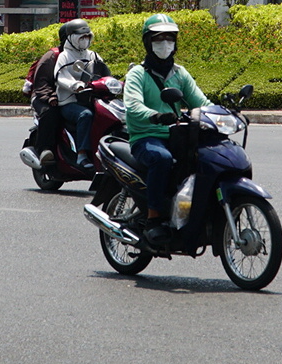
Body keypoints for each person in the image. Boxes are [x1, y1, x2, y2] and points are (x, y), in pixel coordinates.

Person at [122, 14, 208, 249]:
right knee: (162, 159)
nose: (164, 43)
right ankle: (153, 218)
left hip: (177, 135)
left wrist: (220, 114)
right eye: (158, 38)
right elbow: (132, 105)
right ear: (147, 42)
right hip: (146, 137)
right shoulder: (137, 74)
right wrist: (155, 115)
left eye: (169, 38)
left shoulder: (180, 73)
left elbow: (200, 102)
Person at [53, 19, 112, 172]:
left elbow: (103, 71)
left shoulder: (93, 55)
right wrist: (74, 85)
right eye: (81, 37)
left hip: (91, 99)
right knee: (85, 116)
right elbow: (60, 76)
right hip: (69, 101)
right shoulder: (64, 56)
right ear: (72, 38)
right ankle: (82, 155)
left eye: (87, 37)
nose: (85, 41)